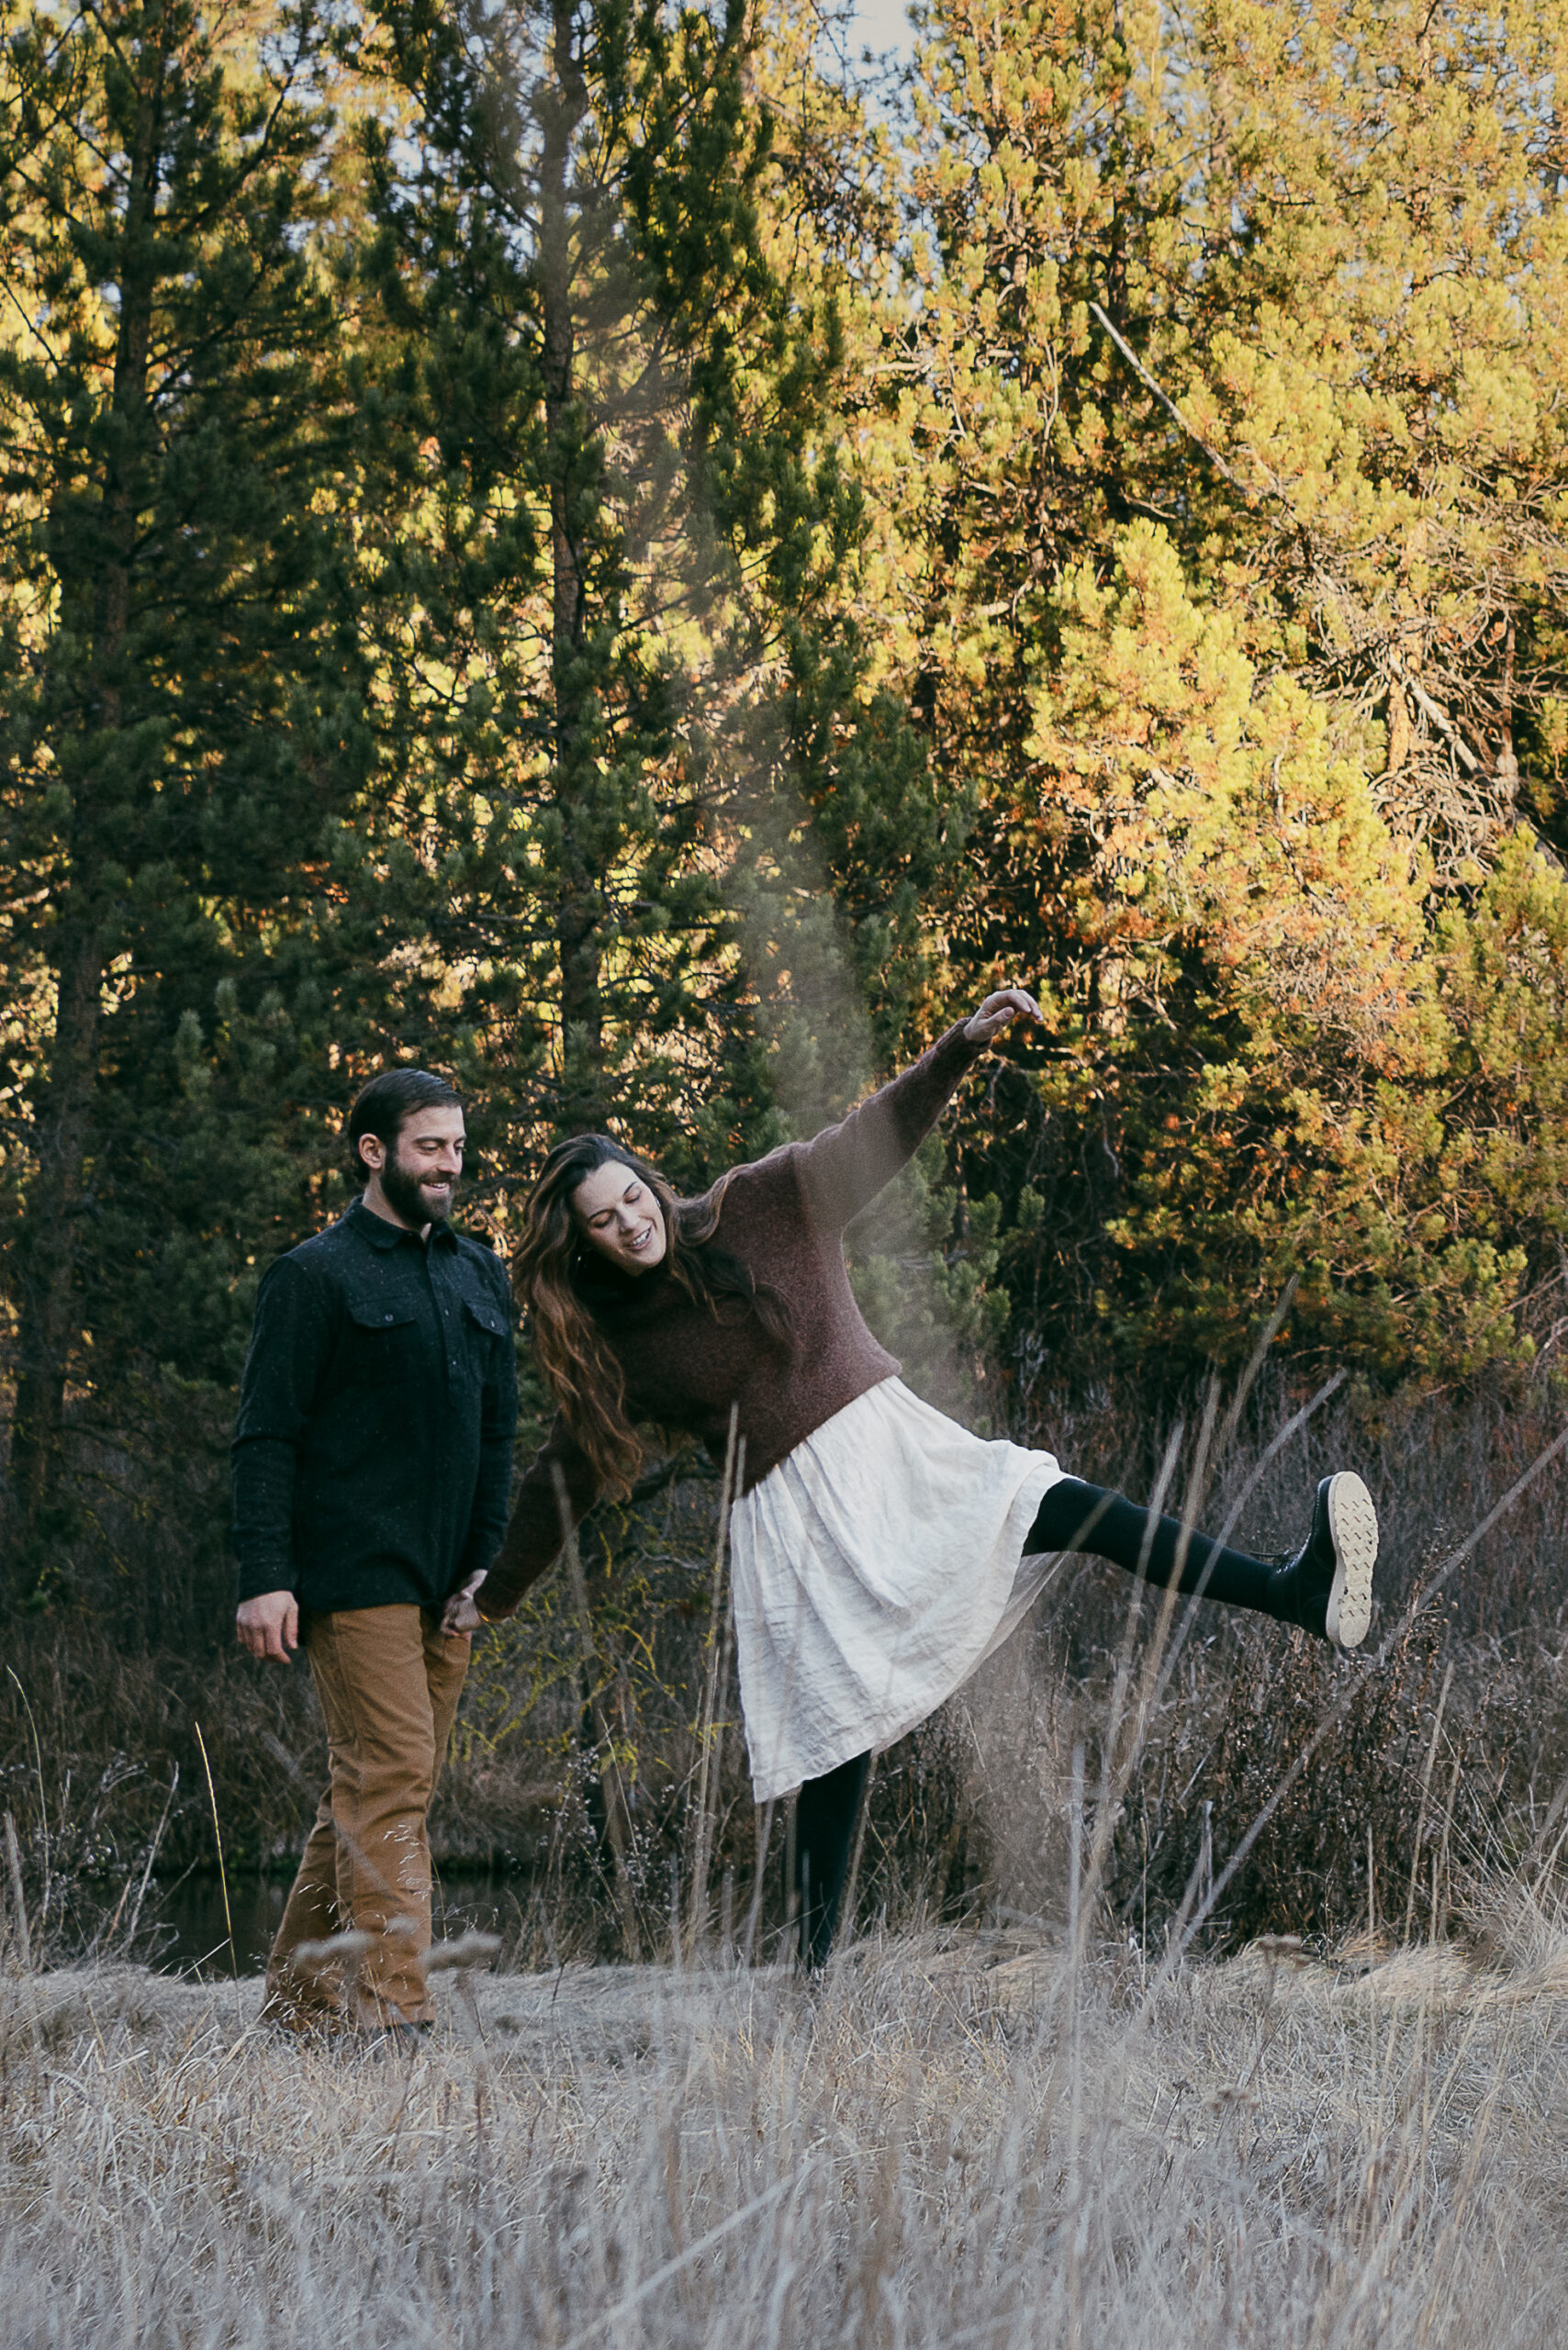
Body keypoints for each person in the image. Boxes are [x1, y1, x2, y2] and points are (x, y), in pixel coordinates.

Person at [443, 991, 1379, 1966]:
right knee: (835, 1740)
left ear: (649, 1181)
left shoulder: (761, 1201)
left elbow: (870, 1138)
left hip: (893, 1452)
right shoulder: (619, 1341)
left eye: (631, 1198)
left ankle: (1294, 1592)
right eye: (603, 1221)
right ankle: (812, 1975)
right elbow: (566, 1472)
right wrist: (494, 1593)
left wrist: (957, 1049)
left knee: (1072, 1508)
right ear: (583, 1239)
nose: (630, 1224)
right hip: (792, 1525)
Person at [232, 1069, 517, 2042]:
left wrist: (489, 1561)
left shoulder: (480, 1274)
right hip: (353, 1576)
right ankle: (395, 2018)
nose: (450, 1165)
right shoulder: (312, 1277)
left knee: (373, 1784)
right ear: (373, 1152)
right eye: (430, 1146)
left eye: (457, 1147)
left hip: (451, 1582)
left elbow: (499, 1434)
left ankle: (298, 2005)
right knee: (392, 1772)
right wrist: (266, 1577)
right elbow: (266, 1436)